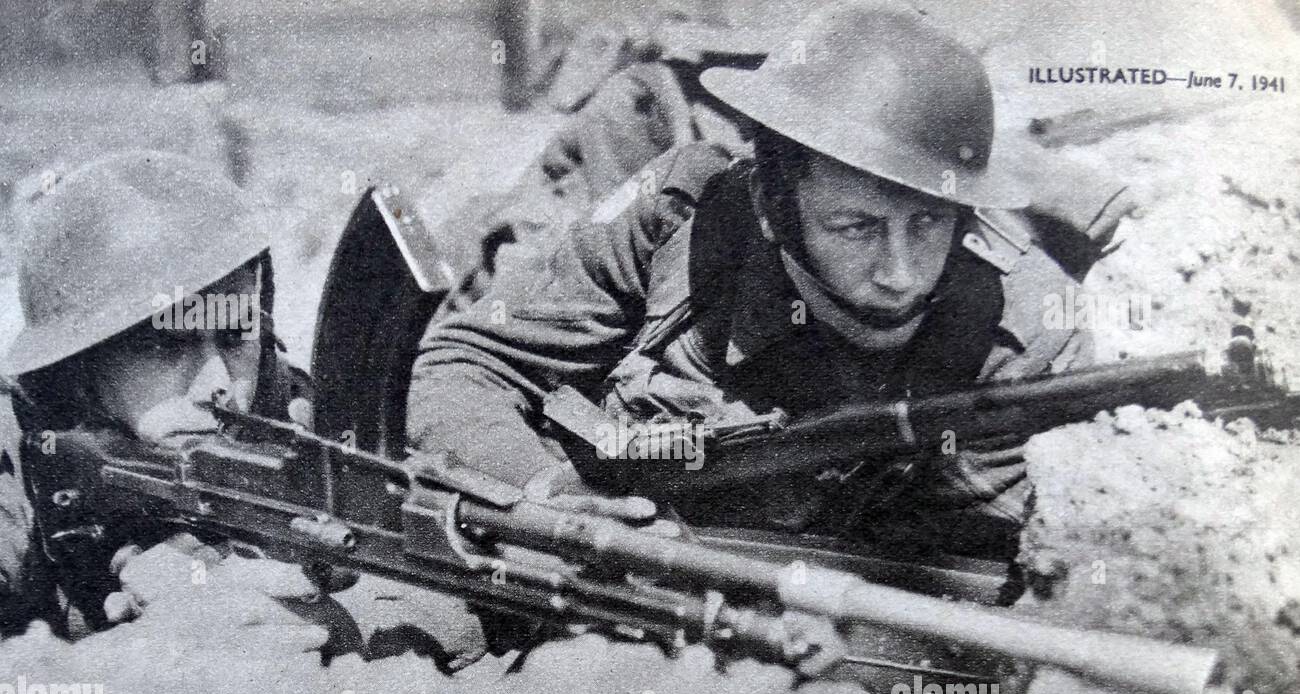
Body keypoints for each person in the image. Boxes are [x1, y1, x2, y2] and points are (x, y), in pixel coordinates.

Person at [405, 0, 1133, 561]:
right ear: (771, 201)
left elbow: (979, 576)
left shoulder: (1022, 340)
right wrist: (545, 495)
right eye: (857, 227)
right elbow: (462, 363)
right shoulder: (686, 216)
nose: (900, 275)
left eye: (928, 225)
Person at [0, 150, 318, 639]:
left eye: (236, 337)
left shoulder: (291, 418)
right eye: (169, 346)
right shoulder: (14, 483)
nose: (217, 382)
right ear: (76, 370)